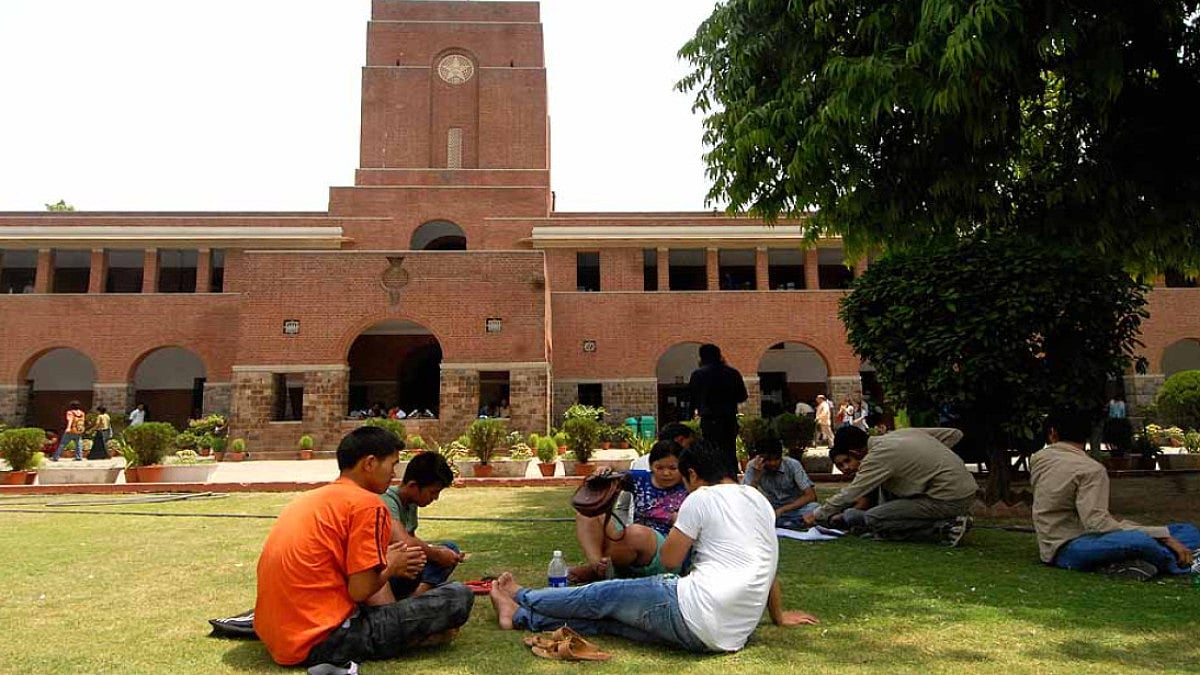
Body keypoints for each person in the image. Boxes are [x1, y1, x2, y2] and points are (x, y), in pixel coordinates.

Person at [489, 440, 818, 652]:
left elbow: (671, 561)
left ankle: (521, 594)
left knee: (601, 596)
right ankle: (518, 616)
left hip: (689, 609)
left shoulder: (699, 498)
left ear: (691, 474)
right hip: (724, 638)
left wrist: (679, 525)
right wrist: (778, 615)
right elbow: (767, 562)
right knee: (610, 624)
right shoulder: (757, 500)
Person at [254, 426, 473, 667]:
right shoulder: (368, 505)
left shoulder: (311, 499)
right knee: (458, 596)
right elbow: (360, 590)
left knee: (406, 584)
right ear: (369, 464)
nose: (393, 474)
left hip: (278, 636)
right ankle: (414, 636)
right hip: (323, 639)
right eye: (392, 465)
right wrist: (391, 566)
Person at [1030, 409, 1199, 580]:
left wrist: (1159, 534)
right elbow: (1097, 523)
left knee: (1186, 531)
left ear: (1052, 433)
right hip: (1071, 546)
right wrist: (1164, 538)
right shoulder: (1090, 469)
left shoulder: (1038, 459)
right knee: (1140, 541)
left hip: (1070, 542)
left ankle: (1133, 563)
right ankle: (1179, 564)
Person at [804, 425, 976, 546]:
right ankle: (948, 520)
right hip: (966, 489)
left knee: (875, 518)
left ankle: (945, 528)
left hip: (948, 498)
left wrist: (817, 514)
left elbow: (850, 493)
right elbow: (954, 434)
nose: (847, 468)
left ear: (855, 452)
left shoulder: (878, 456)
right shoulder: (902, 434)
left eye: (848, 460)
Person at [570, 440, 689, 583]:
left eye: (673, 468)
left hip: (666, 550)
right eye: (659, 467)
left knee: (636, 533)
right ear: (651, 466)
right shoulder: (641, 479)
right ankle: (598, 567)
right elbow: (613, 477)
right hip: (631, 540)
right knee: (589, 514)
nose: (666, 473)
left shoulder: (689, 485)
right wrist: (604, 471)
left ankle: (600, 571)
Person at [379, 452, 465, 598]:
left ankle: (419, 593)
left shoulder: (411, 503)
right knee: (433, 555)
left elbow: (412, 538)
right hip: (387, 573)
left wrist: (439, 551)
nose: (435, 498)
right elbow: (404, 542)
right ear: (413, 486)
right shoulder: (387, 500)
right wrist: (437, 554)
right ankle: (415, 598)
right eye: (433, 492)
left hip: (406, 566)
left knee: (450, 549)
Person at [687, 344, 747, 477]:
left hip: (709, 420)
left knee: (711, 450)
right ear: (720, 356)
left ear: (701, 358)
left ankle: (714, 478)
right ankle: (731, 478)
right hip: (729, 418)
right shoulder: (732, 373)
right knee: (730, 451)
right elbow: (743, 396)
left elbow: (692, 398)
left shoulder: (698, 374)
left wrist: (691, 414)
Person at [742, 437, 819, 529]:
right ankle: (792, 523)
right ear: (759, 457)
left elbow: (810, 496)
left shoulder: (792, 465)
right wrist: (757, 476)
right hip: (771, 507)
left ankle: (780, 522)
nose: (773, 463)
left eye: (777, 459)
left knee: (815, 508)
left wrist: (782, 510)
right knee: (746, 511)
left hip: (794, 506)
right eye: (768, 460)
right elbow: (746, 497)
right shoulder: (753, 466)